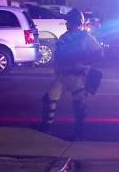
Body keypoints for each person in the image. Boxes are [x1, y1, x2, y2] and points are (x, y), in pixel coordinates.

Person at [39, 8, 103, 140]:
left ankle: (77, 133)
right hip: (63, 75)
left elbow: (99, 52)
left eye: (68, 21)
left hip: (77, 76)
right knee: (49, 98)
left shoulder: (85, 37)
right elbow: (59, 55)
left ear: (74, 22)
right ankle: (46, 128)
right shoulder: (64, 36)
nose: (66, 23)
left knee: (79, 105)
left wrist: (83, 62)